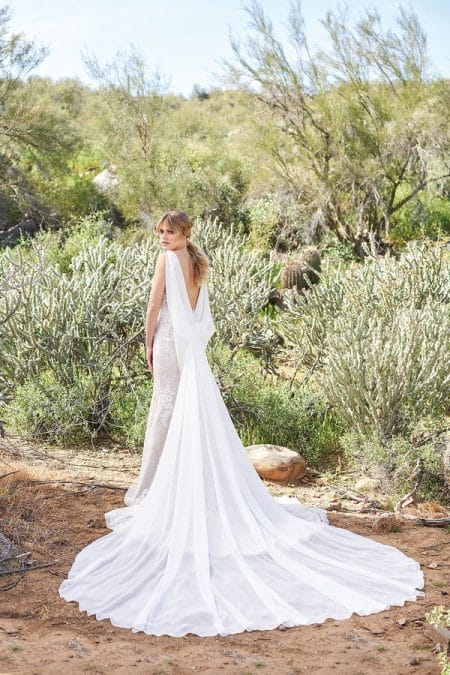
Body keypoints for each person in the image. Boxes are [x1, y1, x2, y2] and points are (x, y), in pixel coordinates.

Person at [59, 210, 424, 638]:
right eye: (159, 232)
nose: (162, 238)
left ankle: (159, 484)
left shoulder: (167, 261)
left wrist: (147, 344)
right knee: (182, 410)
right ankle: (172, 478)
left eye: (169, 232)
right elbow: (198, 310)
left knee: (167, 409)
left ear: (183, 233)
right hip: (189, 345)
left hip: (171, 341)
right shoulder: (196, 260)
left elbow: (155, 306)